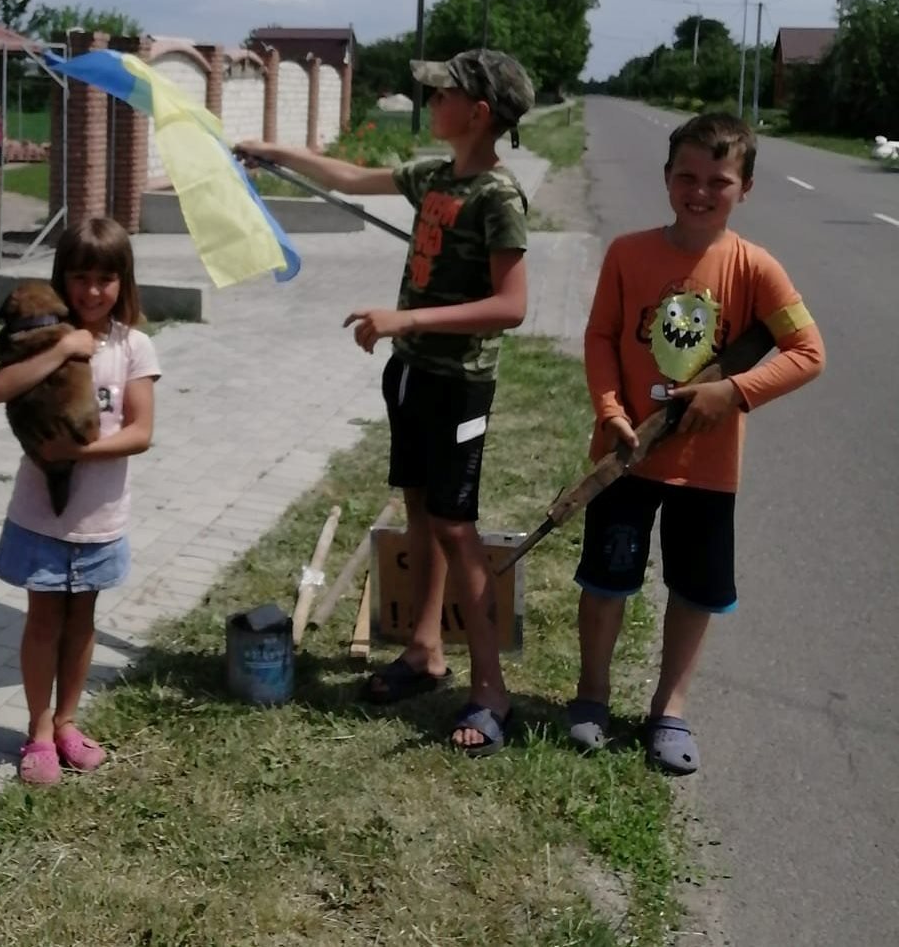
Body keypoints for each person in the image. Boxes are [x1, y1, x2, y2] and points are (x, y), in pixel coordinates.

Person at [237, 48, 535, 756]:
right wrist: (270, 150)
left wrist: (408, 318)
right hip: (411, 374)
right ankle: (425, 651)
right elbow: (347, 175)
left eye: (443, 94)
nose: (431, 102)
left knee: (456, 527)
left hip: (459, 384)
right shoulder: (434, 176)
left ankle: (491, 690)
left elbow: (512, 305)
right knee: (420, 512)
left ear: (478, 113)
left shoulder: (498, 196)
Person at [567, 112, 824, 774]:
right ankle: (591, 694)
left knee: (695, 589)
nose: (700, 192)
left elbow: (808, 352)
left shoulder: (756, 267)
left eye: (719, 181)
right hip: (624, 456)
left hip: (707, 469)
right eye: (687, 177)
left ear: (746, 188)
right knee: (606, 580)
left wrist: (732, 392)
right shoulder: (627, 253)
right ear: (666, 178)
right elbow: (601, 337)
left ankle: (669, 707)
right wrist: (609, 409)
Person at [0, 216, 160, 784]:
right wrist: (65, 346)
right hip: (39, 516)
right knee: (42, 622)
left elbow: (141, 432)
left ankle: (67, 722)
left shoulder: (133, 346)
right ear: (62, 278)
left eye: (105, 279)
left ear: (123, 282)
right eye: (80, 278)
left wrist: (75, 452)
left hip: (100, 516)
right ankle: (38, 731)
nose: (91, 291)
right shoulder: (44, 337)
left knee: (82, 623)